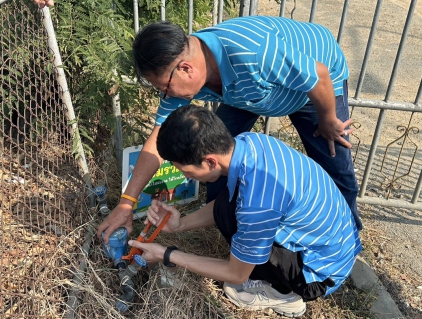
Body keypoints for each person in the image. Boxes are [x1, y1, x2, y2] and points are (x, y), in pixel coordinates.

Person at [98, 15, 362, 244]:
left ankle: (345, 237)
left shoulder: (253, 52)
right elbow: (157, 141)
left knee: (335, 163)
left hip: (312, 89)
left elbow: (318, 75)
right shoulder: (186, 71)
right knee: (214, 154)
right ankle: (230, 228)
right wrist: (126, 203)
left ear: (186, 68)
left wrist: (327, 121)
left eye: (164, 88)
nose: (163, 95)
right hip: (246, 94)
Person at [129, 105, 362, 317]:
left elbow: (236, 274)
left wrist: (166, 254)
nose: (184, 176)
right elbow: (227, 205)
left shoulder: (258, 203)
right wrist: (180, 224)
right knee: (226, 204)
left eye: (186, 170)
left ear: (210, 161)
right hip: (337, 244)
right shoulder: (249, 143)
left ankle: (284, 294)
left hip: (320, 274)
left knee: (240, 257)